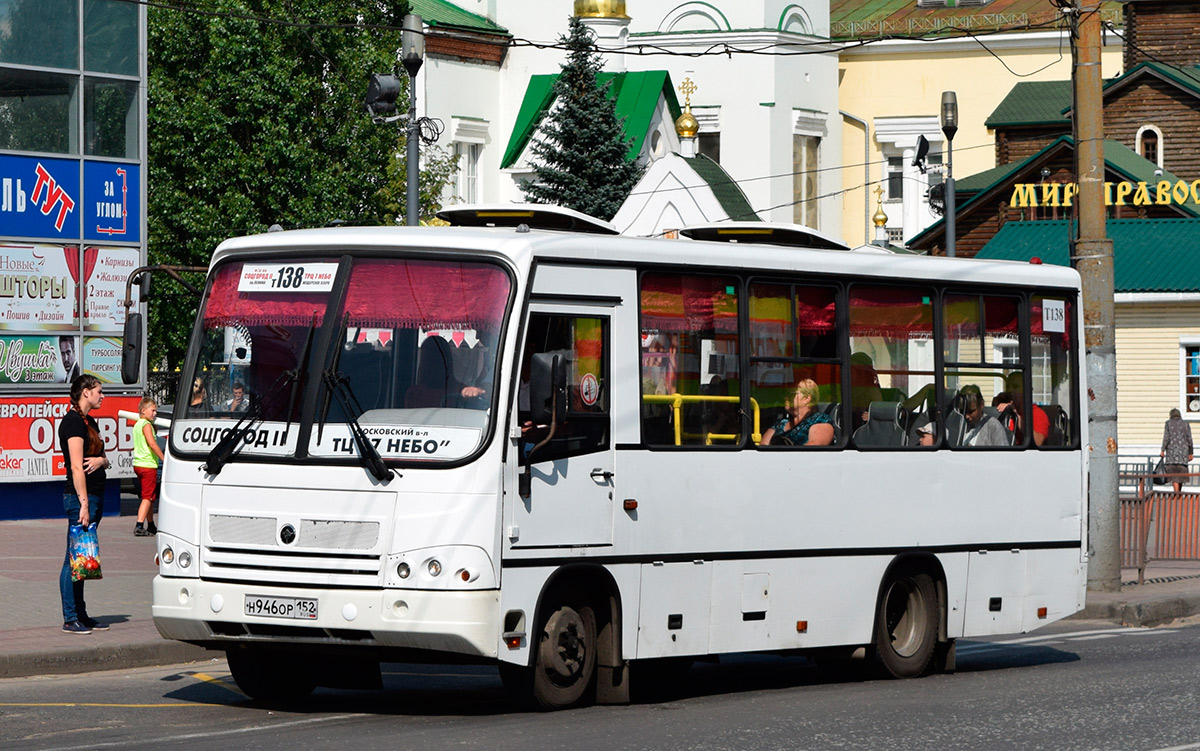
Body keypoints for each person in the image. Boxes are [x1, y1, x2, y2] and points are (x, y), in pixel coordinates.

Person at [59, 374, 110, 634]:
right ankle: (70, 618)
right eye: (99, 391)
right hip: (80, 498)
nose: (102, 396)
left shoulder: (89, 421)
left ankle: (82, 614)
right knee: (73, 559)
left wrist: (102, 462)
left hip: (95, 495)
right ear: (86, 392)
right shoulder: (72, 423)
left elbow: (102, 457)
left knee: (83, 559)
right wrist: (84, 504)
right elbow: (77, 467)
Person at [760, 378, 834, 447]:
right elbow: (763, 447)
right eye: (786, 394)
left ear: (806, 399)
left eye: (791, 394)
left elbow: (814, 447)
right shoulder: (780, 423)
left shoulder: (819, 420)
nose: (786, 397)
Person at [132, 396, 165, 537]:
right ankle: (139, 525)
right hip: (148, 465)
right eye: (153, 410)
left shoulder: (138, 424)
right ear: (143, 410)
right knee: (147, 497)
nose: (155, 413)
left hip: (138, 464)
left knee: (150, 495)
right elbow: (152, 444)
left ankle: (150, 524)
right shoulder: (146, 425)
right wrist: (164, 459)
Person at [1005, 372, 1049, 446]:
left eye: (1015, 387)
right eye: (1008, 387)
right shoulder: (1007, 412)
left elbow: (1038, 442)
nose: (1010, 390)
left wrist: (1019, 420)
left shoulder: (1037, 414)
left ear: (1026, 391)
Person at [1161, 407, 1194, 493]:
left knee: (1174, 475)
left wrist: (1162, 450)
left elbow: (1166, 438)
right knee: (1181, 474)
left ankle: (1176, 494)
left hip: (1171, 453)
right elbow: (1189, 439)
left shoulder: (1168, 423)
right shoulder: (1186, 424)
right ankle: (1178, 493)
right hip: (1183, 453)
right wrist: (1191, 452)